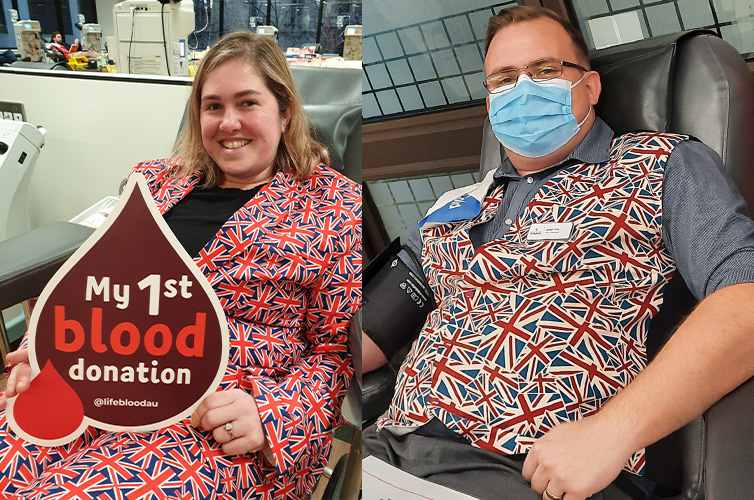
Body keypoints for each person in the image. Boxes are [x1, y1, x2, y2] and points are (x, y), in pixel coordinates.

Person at [363, 6, 754, 500]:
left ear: (589, 86)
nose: (522, 86)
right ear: (489, 103)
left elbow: (745, 301)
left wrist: (613, 432)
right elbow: (367, 331)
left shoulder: (661, 165)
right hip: (386, 450)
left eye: (545, 70)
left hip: (522, 473)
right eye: (504, 78)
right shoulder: (454, 207)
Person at [0, 30, 361, 499]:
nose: (228, 122)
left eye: (247, 103)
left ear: (285, 109)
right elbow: (85, 284)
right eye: (213, 107)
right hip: (96, 373)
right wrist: (42, 346)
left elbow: (333, 352)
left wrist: (273, 416)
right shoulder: (151, 180)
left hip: (213, 414)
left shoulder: (333, 206)